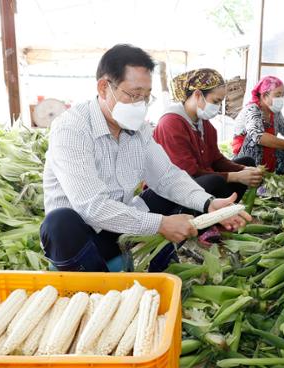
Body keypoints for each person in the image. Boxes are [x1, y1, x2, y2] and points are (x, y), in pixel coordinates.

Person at [41, 44, 250, 273]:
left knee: (173, 194)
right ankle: (94, 282)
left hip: (121, 226)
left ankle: (160, 265)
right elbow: (92, 207)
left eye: (146, 96)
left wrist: (209, 203)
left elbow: (167, 176)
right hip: (83, 237)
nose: (140, 104)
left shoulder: (138, 129)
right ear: (104, 88)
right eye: (134, 94)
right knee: (59, 222)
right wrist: (160, 224)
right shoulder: (72, 129)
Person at [153, 68, 262, 202]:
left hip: (199, 179)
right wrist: (235, 176)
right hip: (172, 189)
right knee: (215, 181)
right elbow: (188, 172)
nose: (217, 107)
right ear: (198, 95)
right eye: (215, 101)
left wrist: (244, 169)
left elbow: (216, 160)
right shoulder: (171, 123)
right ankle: (215, 214)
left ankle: (223, 212)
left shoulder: (204, 123)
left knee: (247, 162)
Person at [232, 76, 284, 174]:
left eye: (283, 95)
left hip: (269, 154)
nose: (281, 99)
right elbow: (259, 137)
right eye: (278, 95)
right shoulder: (252, 109)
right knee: (254, 137)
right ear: (264, 96)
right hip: (247, 160)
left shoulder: (274, 111)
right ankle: (255, 174)